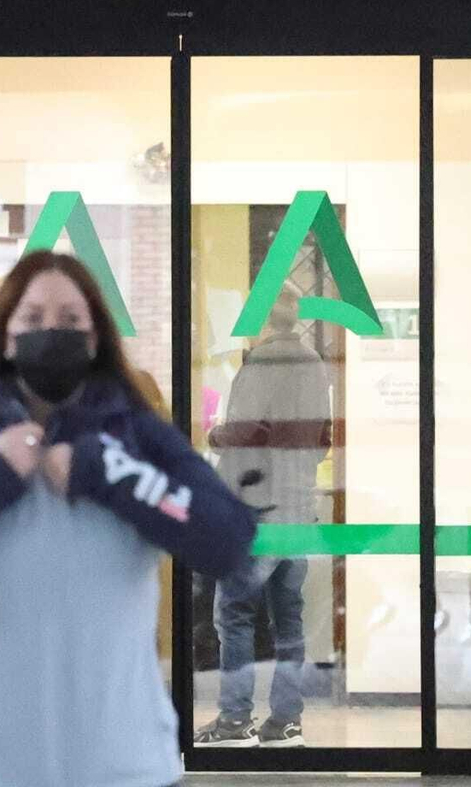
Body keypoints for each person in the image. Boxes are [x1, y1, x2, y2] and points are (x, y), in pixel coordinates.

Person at [0, 250, 259, 787]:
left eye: (72, 320)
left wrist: (109, 472)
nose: (52, 332)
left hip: (122, 762)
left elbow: (226, 539)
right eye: (32, 319)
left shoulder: (136, 434)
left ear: (96, 337)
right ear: (4, 336)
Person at [195, 282, 331, 748]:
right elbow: (322, 437)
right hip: (298, 507)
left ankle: (235, 721)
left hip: (259, 509)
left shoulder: (263, 363)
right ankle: (286, 721)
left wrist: (216, 435)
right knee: (287, 619)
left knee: (233, 613)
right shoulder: (315, 365)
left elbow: (247, 431)